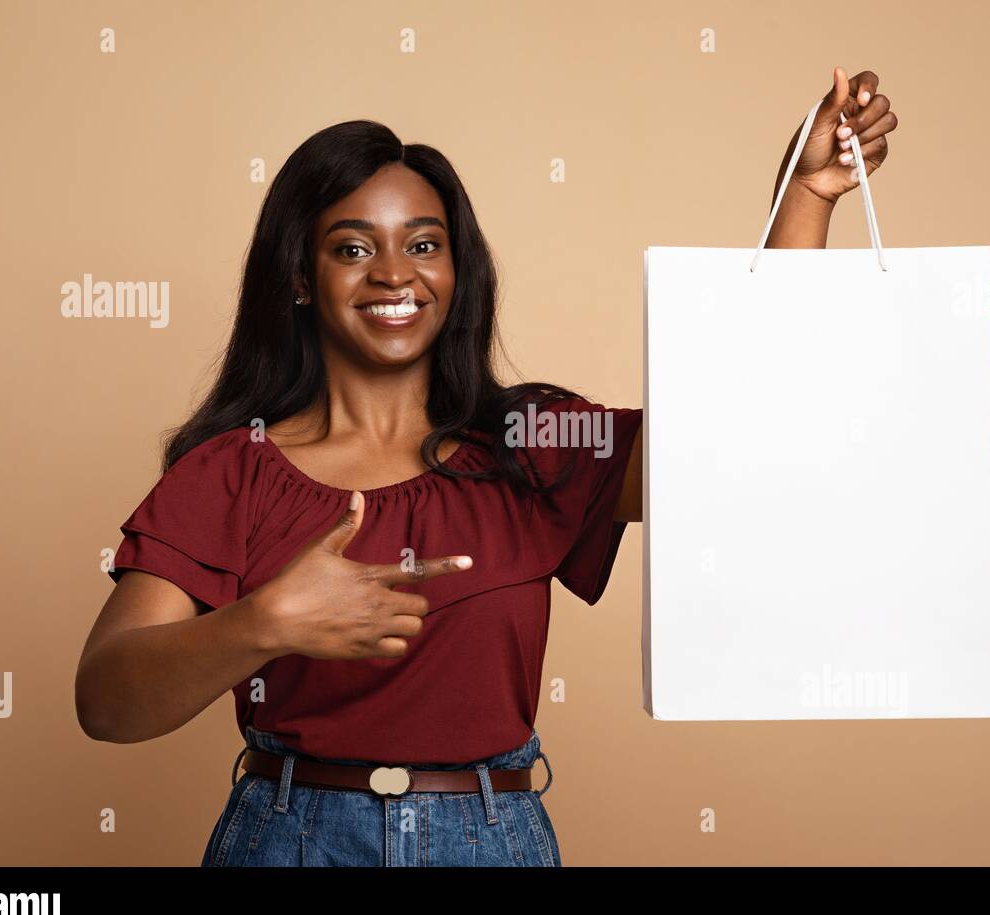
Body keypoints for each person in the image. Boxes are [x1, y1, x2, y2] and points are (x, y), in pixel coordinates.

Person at [74, 66, 897, 867]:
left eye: (423, 245)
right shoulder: (234, 470)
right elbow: (106, 701)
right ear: (299, 276)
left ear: (456, 270)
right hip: (290, 837)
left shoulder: (536, 446)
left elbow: (738, 435)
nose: (394, 274)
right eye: (353, 247)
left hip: (488, 838)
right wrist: (264, 623)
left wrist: (806, 196)